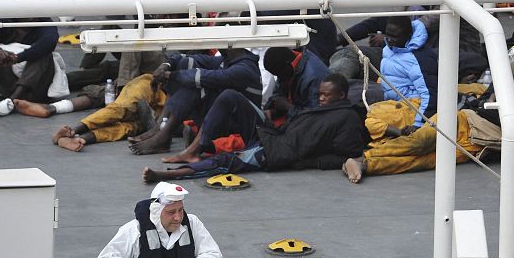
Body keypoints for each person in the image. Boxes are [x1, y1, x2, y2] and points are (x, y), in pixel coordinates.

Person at [143, 73, 366, 182]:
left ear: (342, 95)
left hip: (277, 152)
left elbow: (345, 155)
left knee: (226, 162)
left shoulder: (347, 119)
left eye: (326, 95)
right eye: (320, 94)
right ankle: (196, 149)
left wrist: (308, 163)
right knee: (230, 96)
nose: (321, 99)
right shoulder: (324, 109)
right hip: (272, 135)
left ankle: (168, 176)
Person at [342, 99, 514, 183]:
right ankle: (362, 158)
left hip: (470, 149)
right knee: (418, 143)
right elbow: (503, 118)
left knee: (420, 161)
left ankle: (366, 166)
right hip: (462, 122)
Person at [95, 182, 222, 258]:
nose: (178, 218)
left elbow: (213, 254)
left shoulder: (192, 223)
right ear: (156, 211)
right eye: (171, 212)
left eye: (180, 210)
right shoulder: (135, 229)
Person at [128, 48, 263, 155]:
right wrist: (165, 66)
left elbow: (208, 78)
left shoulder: (245, 68)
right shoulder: (227, 59)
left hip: (241, 128)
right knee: (186, 64)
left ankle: (164, 134)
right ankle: (161, 128)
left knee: (196, 84)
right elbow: (187, 59)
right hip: (225, 119)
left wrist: (170, 75)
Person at [19, 74, 166, 152]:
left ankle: (80, 139)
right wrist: (121, 83)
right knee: (121, 108)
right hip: (154, 85)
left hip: (161, 110)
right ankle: (73, 130)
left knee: (126, 129)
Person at [0, 0, 60, 116]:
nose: (31, 13)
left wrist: (18, 58)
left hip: (36, 87)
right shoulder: (6, 22)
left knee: (44, 54)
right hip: (8, 81)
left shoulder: (44, 22)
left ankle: (12, 101)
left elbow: (50, 41)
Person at [258, 0, 338, 64]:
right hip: (326, 59)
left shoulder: (293, 7)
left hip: (314, 62)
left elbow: (267, 15)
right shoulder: (319, 5)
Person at [378, 16, 438, 129]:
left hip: (411, 106)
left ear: (409, 35)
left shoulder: (421, 58)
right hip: (392, 101)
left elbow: (429, 94)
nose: (389, 40)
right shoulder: (390, 47)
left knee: (372, 118)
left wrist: (418, 123)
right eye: (388, 35)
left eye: (395, 36)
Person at [262, 46, 329, 123]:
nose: (279, 78)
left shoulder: (314, 77)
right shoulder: (285, 67)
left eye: (279, 75)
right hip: (294, 116)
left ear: (287, 66)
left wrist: (289, 107)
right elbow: (278, 93)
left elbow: (315, 117)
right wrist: (270, 110)